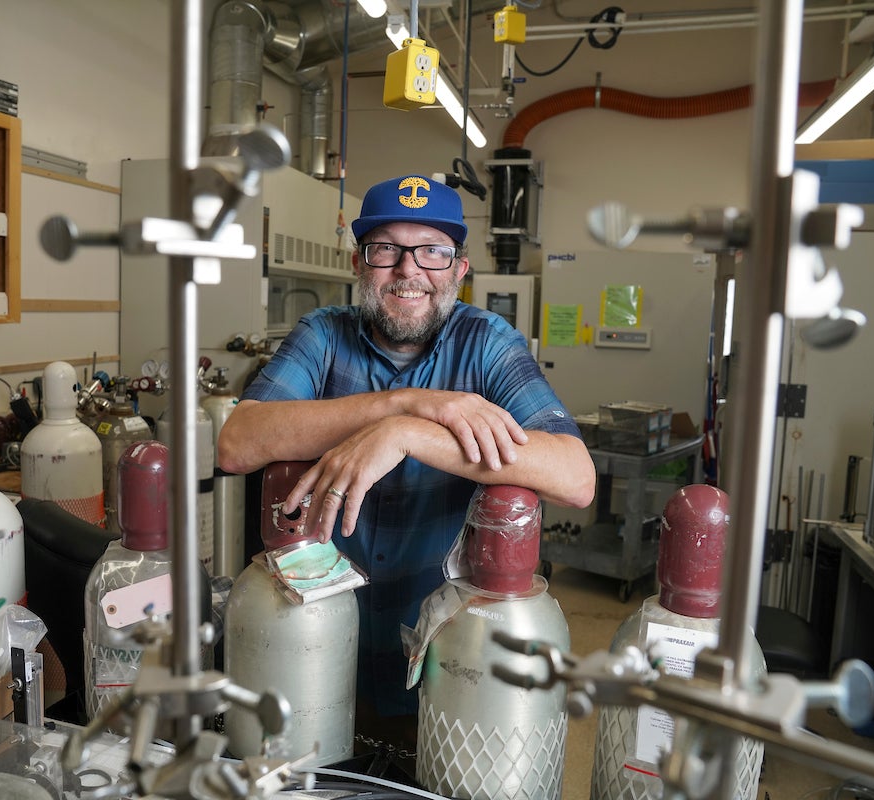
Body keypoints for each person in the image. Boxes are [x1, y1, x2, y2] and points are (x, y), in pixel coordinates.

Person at [218, 173, 596, 749]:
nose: (409, 269)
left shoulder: (488, 344)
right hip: (312, 649)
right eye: (387, 249)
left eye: (433, 252)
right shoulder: (323, 335)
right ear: (359, 263)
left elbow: (574, 476)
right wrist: (401, 403)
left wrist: (408, 435)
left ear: (460, 270)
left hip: (446, 665)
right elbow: (238, 441)